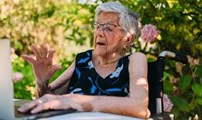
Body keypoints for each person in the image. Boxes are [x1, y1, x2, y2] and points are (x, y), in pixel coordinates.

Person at [18, 1, 150, 118]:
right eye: (97, 26)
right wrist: (42, 81)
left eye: (109, 28)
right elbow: (47, 99)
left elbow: (139, 107)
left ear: (128, 39)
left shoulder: (135, 60)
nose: (99, 32)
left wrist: (77, 101)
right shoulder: (83, 60)